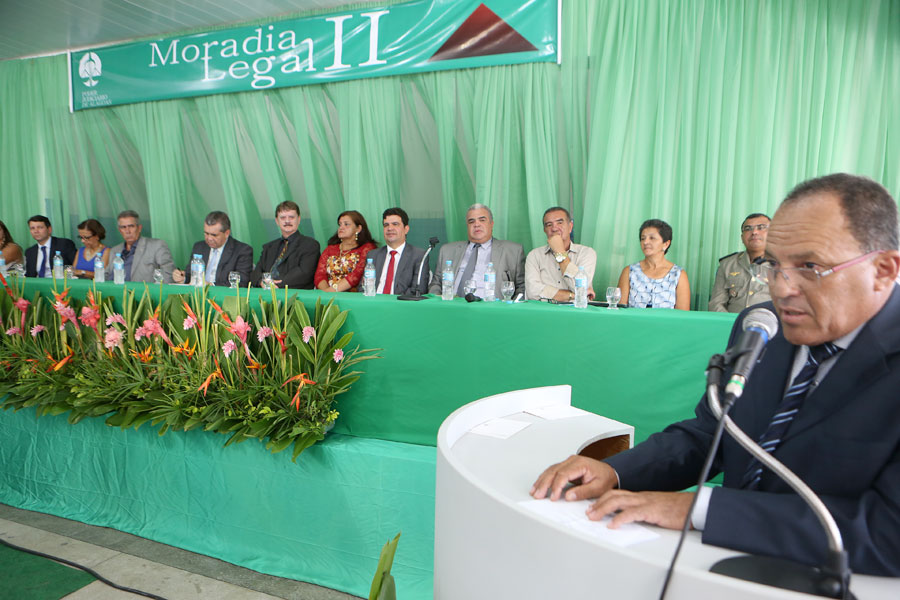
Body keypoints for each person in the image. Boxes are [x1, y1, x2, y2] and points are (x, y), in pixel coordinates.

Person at [531, 173, 900, 576]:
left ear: (883, 269)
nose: (782, 288)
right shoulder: (762, 325)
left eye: (810, 266)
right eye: (774, 264)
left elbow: (888, 532)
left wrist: (702, 508)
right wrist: (618, 470)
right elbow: (715, 433)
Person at [427, 204, 525, 298]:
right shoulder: (447, 250)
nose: (476, 224)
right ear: (467, 226)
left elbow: (521, 288)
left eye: (482, 220)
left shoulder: (512, 251)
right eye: (471, 221)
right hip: (453, 307)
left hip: (493, 308)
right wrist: (438, 303)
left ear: (491, 224)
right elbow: (436, 284)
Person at [524, 207, 597, 301]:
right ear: (544, 230)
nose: (554, 228)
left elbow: (580, 287)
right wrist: (573, 295)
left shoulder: (587, 253)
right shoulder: (534, 255)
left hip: (575, 312)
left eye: (559, 222)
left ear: (570, 226)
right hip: (544, 311)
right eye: (549, 225)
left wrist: (560, 252)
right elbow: (532, 292)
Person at [617, 219, 690, 309]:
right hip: (633, 322)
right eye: (643, 238)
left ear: (666, 244)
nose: (645, 242)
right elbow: (620, 309)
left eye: (652, 238)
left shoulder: (678, 274)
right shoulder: (629, 271)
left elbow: (682, 315)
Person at [708, 213, 772, 312]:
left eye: (761, 227)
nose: (754, 232)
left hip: (768, 324)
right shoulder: (727, 264)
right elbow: (716, 303)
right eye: (748, 228)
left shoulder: (784, 265)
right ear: (742, 238)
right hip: (732, 324)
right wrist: (729, 324)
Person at [172, 211, 253, 287]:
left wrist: (211, 285)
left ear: (227, 233)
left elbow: (242, 282)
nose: (209, 238)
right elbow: (191, 275)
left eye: (214, 235)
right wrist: (183, 277)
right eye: (206, 233)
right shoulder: (199, 247)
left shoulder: (242, 250)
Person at [250, 201, 320, 289]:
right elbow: (256, 273)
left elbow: (304, 274)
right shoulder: (268, 247)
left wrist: (273, 284)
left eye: (291, 217)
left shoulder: (310, 245)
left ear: (299, 219)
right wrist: (261, 281)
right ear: (277, 221)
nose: (287, 221)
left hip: (295, 297)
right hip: (266, 295)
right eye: (282, 218)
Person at [367, 207, 430, 295]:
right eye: (386, 225)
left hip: (400, 304)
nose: (389, 228)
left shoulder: (418, 256)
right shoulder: (373, 255)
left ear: (406, 229)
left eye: (395, 224)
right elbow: (363, 287)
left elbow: (418, 290)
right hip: (373, 303)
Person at [314, 211, 377, 292]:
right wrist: (326, 293)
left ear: (358, 228)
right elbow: (320, 275)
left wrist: (331, 292)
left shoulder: (367, 248)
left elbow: (356, 275)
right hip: (326, 296)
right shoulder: (330, 249)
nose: (341, 227)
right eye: (340, 224)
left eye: (346, 224)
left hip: (352, 297)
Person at [105, 210, 175, 283]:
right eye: (123, 227)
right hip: (114, 292)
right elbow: (106, 275)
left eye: (131, 226)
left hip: (145, 293)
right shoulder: (115, 250)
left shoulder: (156, 246)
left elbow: (169, 274)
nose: (127, 231)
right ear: (119, 230)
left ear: (139, 228)